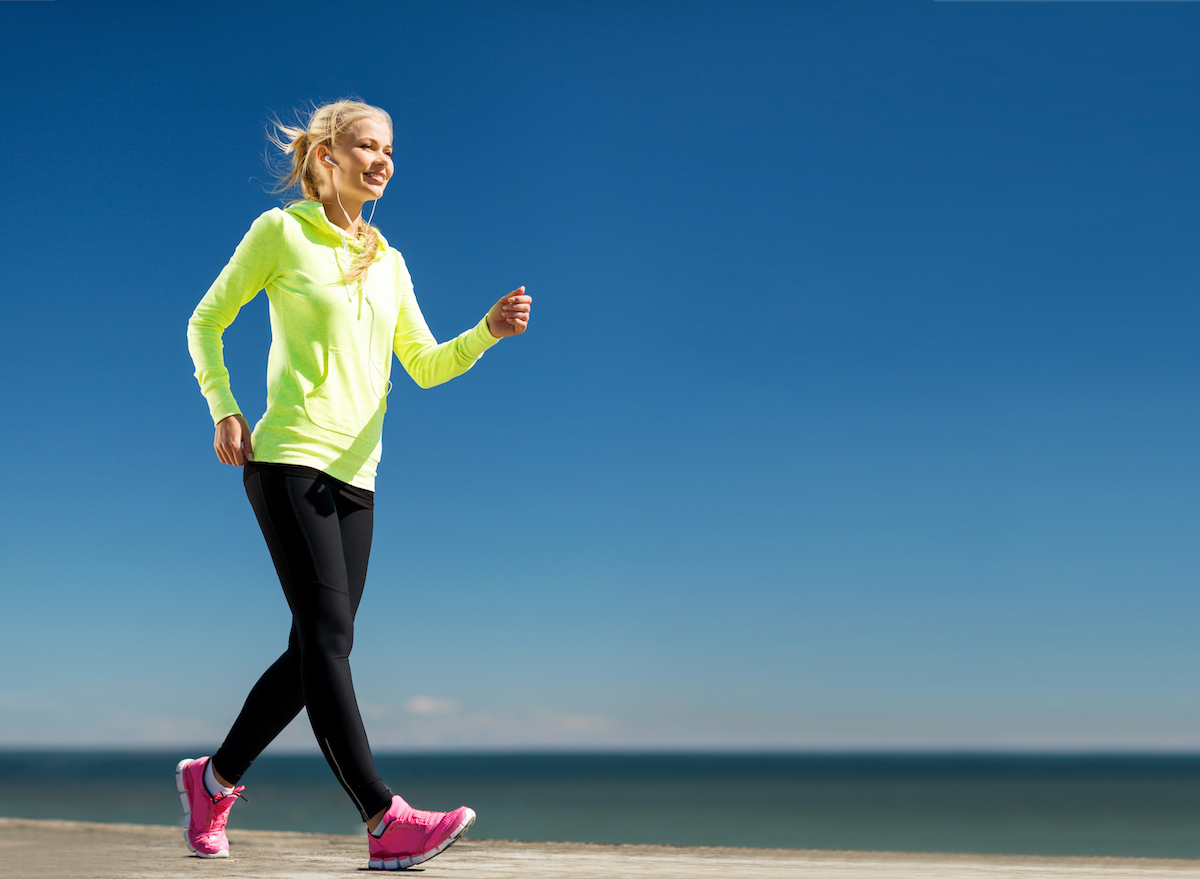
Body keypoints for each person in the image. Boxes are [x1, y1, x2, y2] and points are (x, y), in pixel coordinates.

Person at [180, 99, 531, 871]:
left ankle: (212, 780)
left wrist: (486, 333)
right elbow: (205, 321)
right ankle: (383, 817)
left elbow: (426, 366)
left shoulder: (392, 261)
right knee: (331, 639)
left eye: (390, 150)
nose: (381, 159)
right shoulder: (281, 233)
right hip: (287, 459)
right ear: (327, 156)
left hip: (357, 475)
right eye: (365, 145)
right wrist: (224, 407)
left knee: (316, 647)